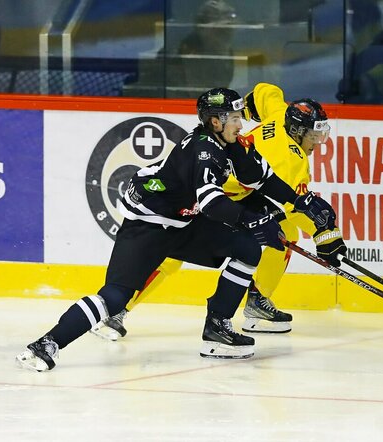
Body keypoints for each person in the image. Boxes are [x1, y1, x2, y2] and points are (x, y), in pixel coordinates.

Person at [16, 87, 341, 371]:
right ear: (216, 122)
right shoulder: (204, 150)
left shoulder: (231, 144)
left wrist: (306, 202)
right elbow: (214, 204)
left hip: (184, 221)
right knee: (115, 297)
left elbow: (265, 179)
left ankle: (218, 328)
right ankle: (47, 343)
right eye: (234, 118)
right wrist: (255, 221)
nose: (241, 123)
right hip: (147, 226)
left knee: (246, 249)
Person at [91, 82, 348, 340]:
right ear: (298, 131)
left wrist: (242, 114)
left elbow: (265, 91)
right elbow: (293, 207)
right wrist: (326, 235)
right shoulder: (292, 162)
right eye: (313, 137)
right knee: (170, 254)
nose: (317, 143)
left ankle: (258, 300)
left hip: (233, 188)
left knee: (283, 233)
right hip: (208, 194)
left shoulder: (280, 112)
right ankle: (116, 309)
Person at [166, 0, 237, 97]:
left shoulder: (226, 53)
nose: (226, 36)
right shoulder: (188, 55)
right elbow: (197, 96)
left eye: (229, 29)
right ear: (202, 29)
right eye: (220, 31)